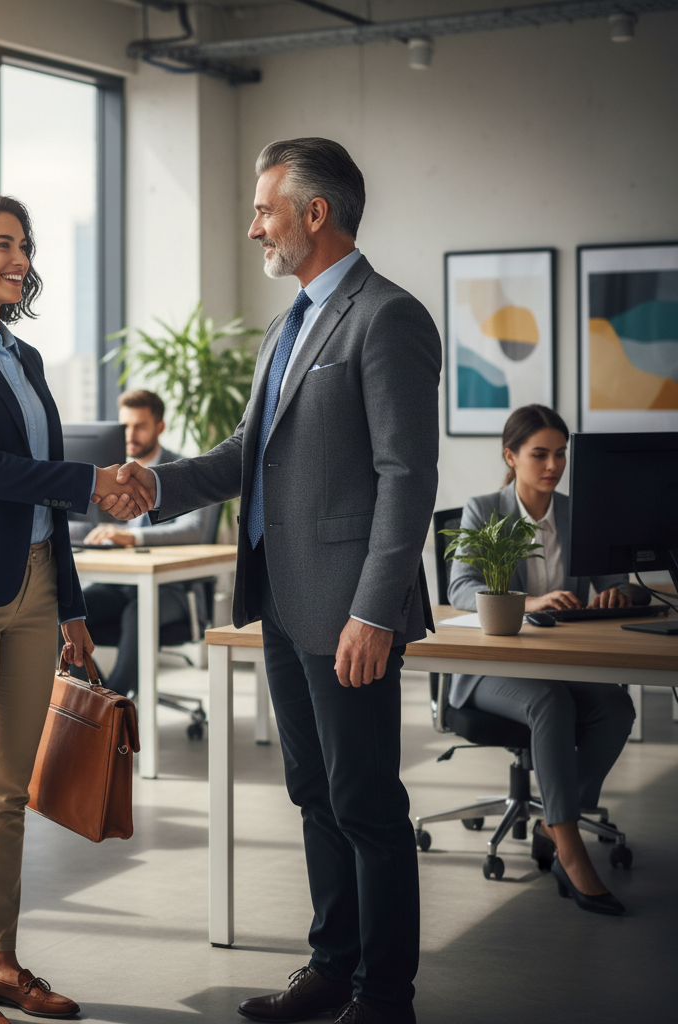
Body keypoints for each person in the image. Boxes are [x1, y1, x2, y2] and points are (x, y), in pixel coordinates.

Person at [115, 138, 440, 1024]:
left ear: (315, 213)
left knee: (367, 803)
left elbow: (407, 477)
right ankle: (332, 966)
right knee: (313, 794)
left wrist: (376, 609)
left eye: (264, 209)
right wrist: (155, 485)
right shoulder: (288, 324)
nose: (252, 224)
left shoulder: (387, 317)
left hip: (349, 611)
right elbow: (244, 456)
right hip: (284, 602)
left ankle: (385, 997)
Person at [0, 194, 152, 1024]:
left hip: (40, 582)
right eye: (2, 243)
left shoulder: (27, 357)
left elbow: (41, 502)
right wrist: (90, 482)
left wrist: (72, 604)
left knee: (9, 786)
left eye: (26, 245)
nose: (20, 257)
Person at [447, 403, 643, 916]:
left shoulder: (580, 512)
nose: (553, 465)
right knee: (550, 703)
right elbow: (461, 588)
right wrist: (529, 603)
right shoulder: (484, 509)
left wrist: (618, 593)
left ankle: (553, 823)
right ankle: (571, 850)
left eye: (560, 454)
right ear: (511, 456)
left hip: (559, 664)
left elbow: (620, 580)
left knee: (617, 708)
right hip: (493, 669)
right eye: (539, 454)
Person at [68, 388, 213, 696]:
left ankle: (117, 707)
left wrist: (131, 536)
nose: (130, 434)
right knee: (67, 612)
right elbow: (91, 528)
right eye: (125, 426)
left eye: (140, 425)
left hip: (172, 590)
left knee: (139, 611)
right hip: (118, 585)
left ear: (159, 427)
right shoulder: (111, 473)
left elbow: (195, 530)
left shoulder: (181, 469)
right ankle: (99, 701)